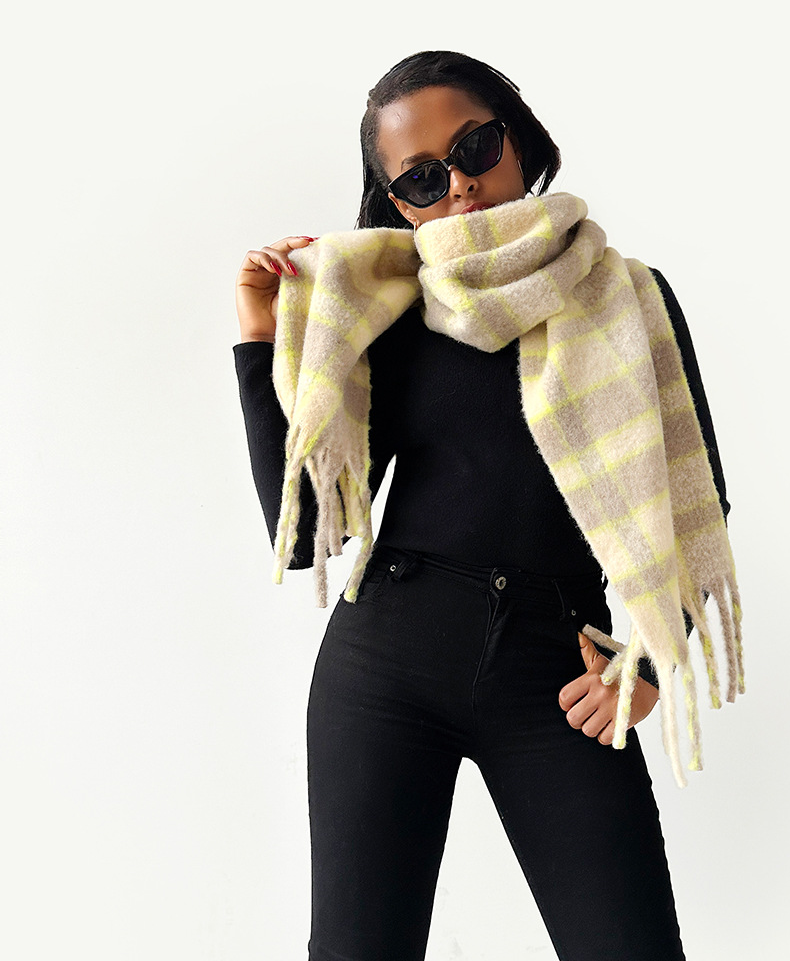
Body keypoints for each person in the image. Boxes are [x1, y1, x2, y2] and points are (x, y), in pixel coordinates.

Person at [233, 50, 738, 961]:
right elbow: (303, 531)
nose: (460, 186)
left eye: (474, 148)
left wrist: (650, 665)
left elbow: (698, 502)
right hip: (385, 662)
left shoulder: (631, 297)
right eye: (423, 178)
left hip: (558, 671)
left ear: (518, 137)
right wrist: (260, 336)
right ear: (398, 203)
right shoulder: (386, 308)